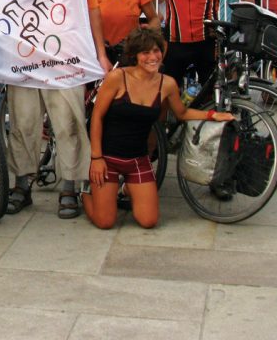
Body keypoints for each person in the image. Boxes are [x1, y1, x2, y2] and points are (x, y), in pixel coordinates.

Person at [6, 0, 111, 218]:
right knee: (24, 120)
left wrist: (100, 53)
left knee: (68, 120)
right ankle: (23, 182)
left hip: (68, 51)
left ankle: (70, 185)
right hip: (28, 49)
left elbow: (92, 6)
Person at [83, 28, 234, 229]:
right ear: (135, 56)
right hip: (108, 159)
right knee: (105, 222)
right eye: (145, 53)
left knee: (148, 221)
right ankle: (85, 192)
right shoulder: (117, 78)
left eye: (156, 51)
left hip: (138, 159)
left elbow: (182, 113)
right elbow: (97, 117)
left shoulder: (168, 84)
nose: (152, 57)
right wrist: (96, 158)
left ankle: (127, 187)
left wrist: (212, 115)